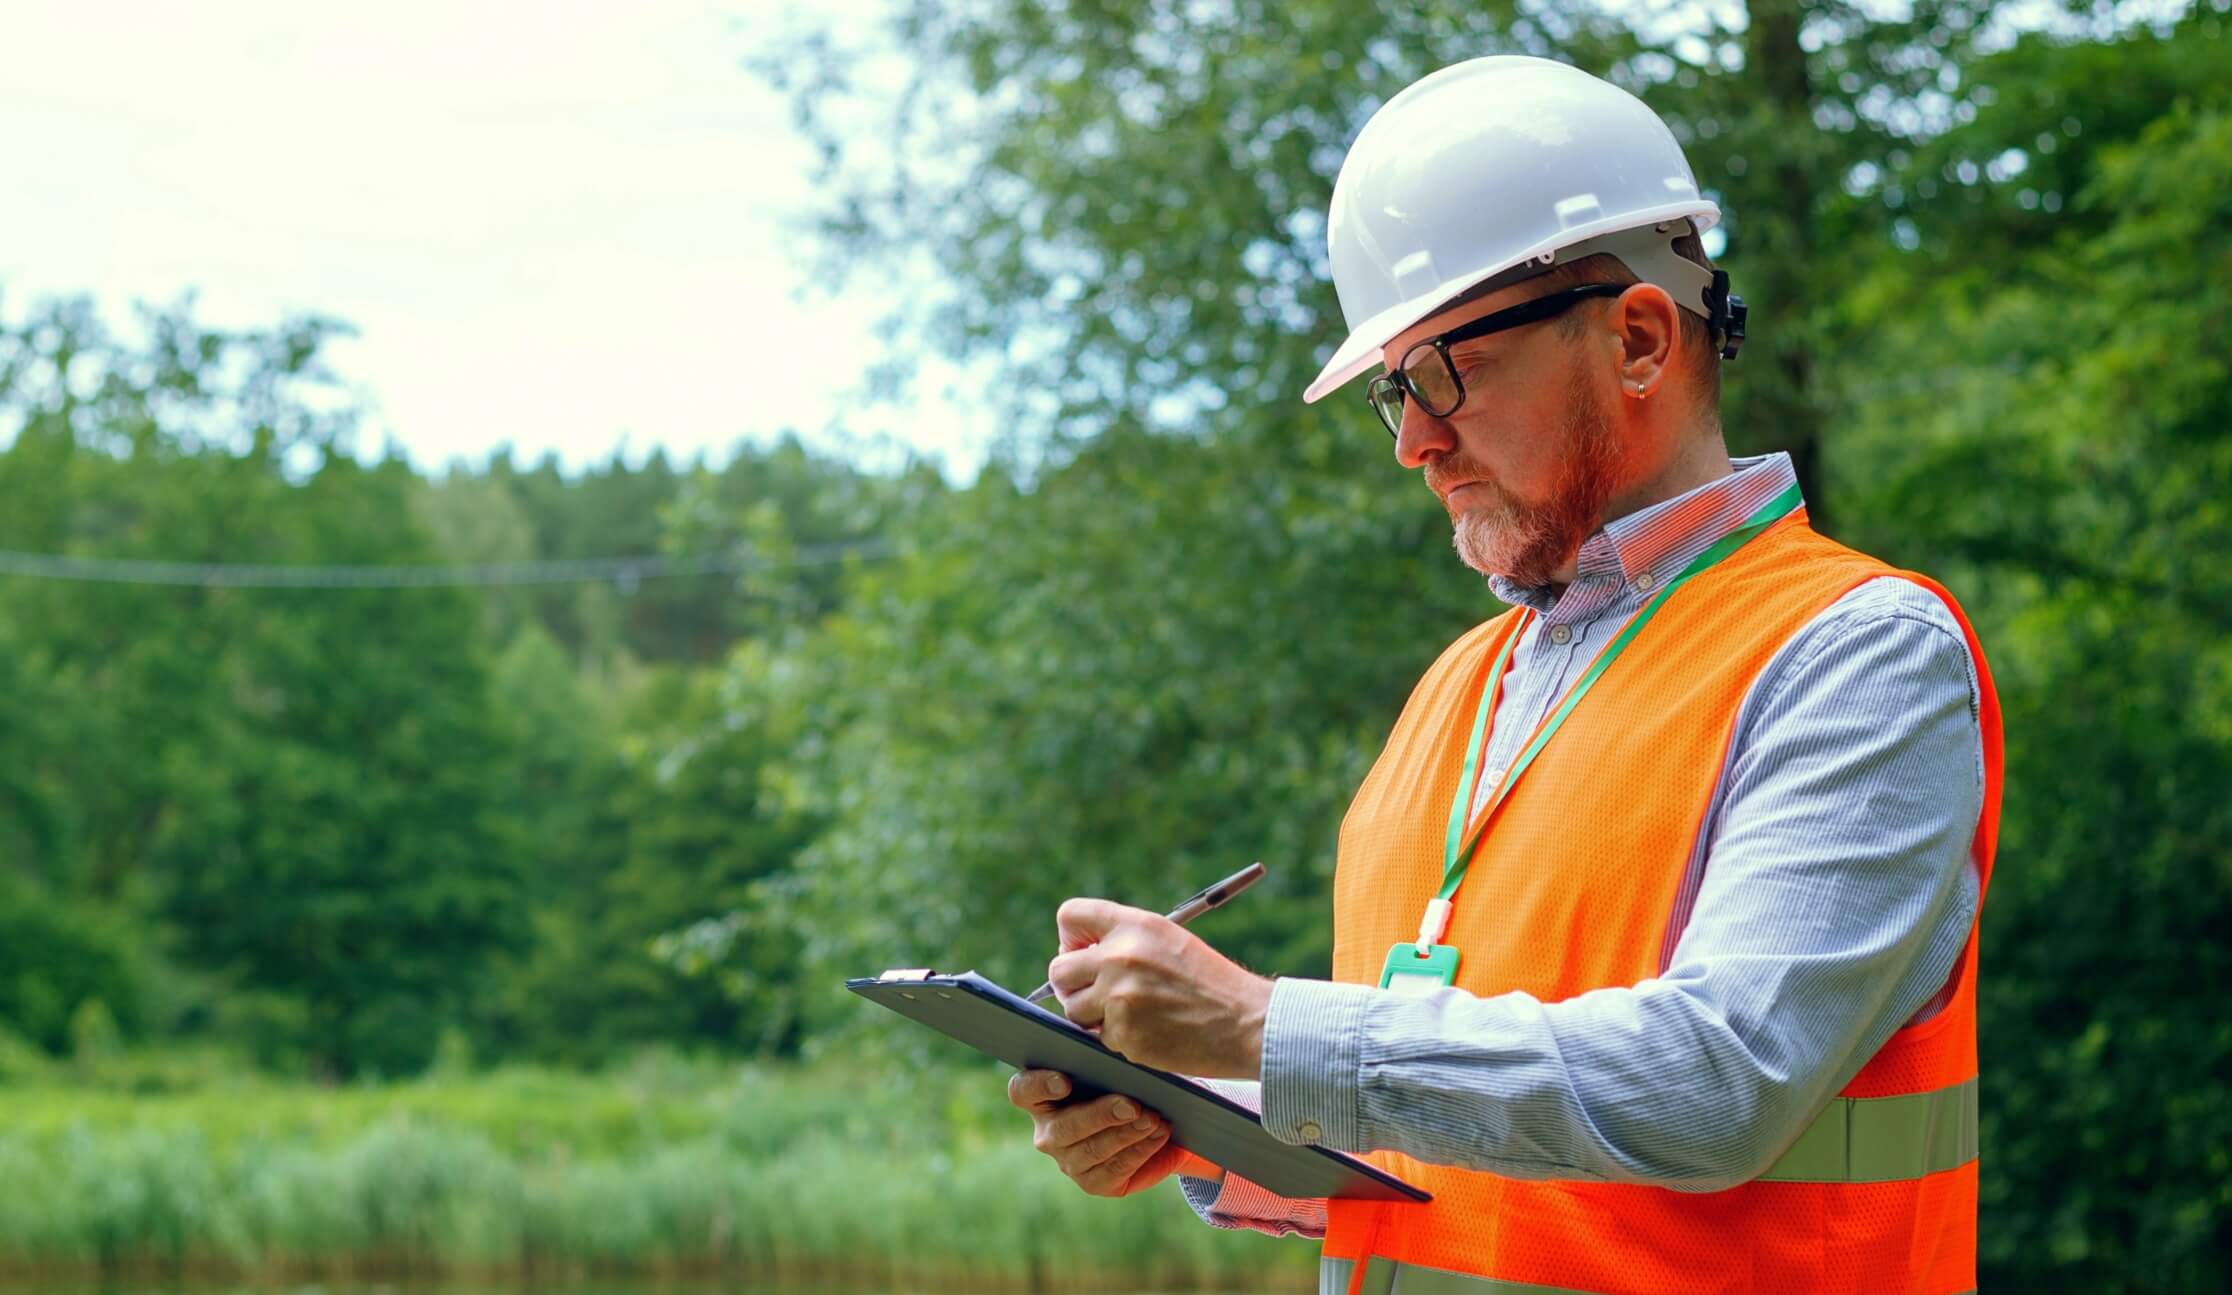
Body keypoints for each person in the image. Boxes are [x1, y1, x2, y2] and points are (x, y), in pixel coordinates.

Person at [1008, 55, 2000, 1295]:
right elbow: (1454, 1146)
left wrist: (1266, 1024)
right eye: (1393, 392)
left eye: (1442, 374)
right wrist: (1206, 1110)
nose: (1415, 441)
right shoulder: (1460, 688)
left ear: (1639, 337)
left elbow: (1717, 1085)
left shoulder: (1855, 650)